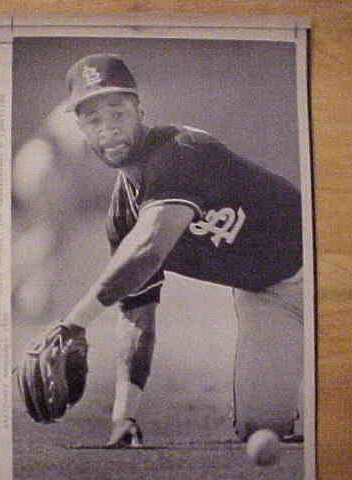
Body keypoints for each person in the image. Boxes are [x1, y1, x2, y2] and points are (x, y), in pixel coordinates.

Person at [58, 53, 304, 447]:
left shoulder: (181, 150)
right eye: (93, 120)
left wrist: (72, 323)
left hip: (323, 262)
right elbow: (138, 315)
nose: (108, 129)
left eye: (117, 112)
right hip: (268, 296)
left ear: (140, 111)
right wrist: (124, 415)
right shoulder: (122, 214)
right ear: (81, 131)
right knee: (261, 428)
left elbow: (150, 247)